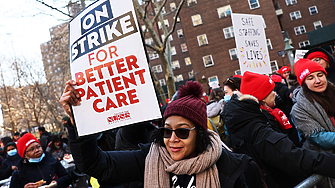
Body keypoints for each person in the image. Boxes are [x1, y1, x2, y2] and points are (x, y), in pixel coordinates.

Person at [60, 80, 253, 188]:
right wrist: (77, 121)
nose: (172, 139)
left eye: (183, 131)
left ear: (200, 135)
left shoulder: (228, 165)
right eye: (167, 131)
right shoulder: (150, 158)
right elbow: (94, 164)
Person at [222, 71, 335, 187]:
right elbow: (292, 157)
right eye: (271, 91)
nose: (275, 93)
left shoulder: (246, 118)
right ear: (262, 98)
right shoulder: (257, 128)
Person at [291, 59, 335, 187]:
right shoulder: (299, 109)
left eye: (320, 75)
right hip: (327, 160)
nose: (317, 80)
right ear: (303, 82)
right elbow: (318, 137)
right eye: (310, 77)